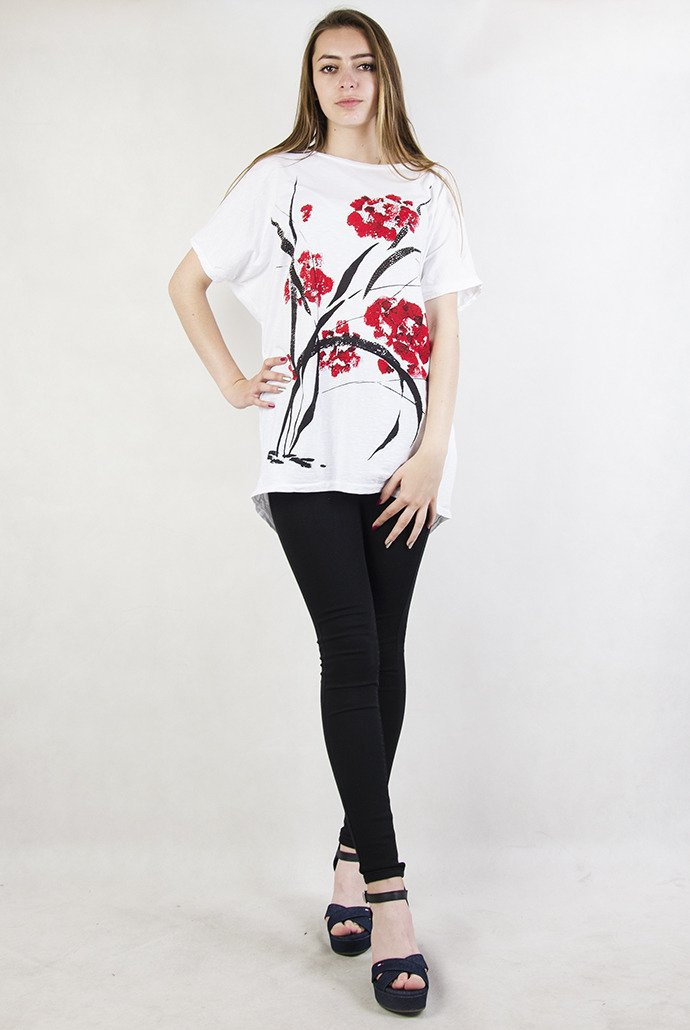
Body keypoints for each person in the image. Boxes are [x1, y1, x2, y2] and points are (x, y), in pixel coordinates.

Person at [168, 8, 482, 1015]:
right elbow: (187, 282)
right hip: (303, 457)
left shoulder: (427, 192)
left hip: (405, 463)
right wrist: (232, 382)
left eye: (363, 65)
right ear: (311, 82)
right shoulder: (280, 180)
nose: (347, 81)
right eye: (329, 67)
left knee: (385, 653)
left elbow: (445, 331)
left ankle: (351, 853)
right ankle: (390, 898)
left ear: (386, 78)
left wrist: (433, 452)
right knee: (349, 648)